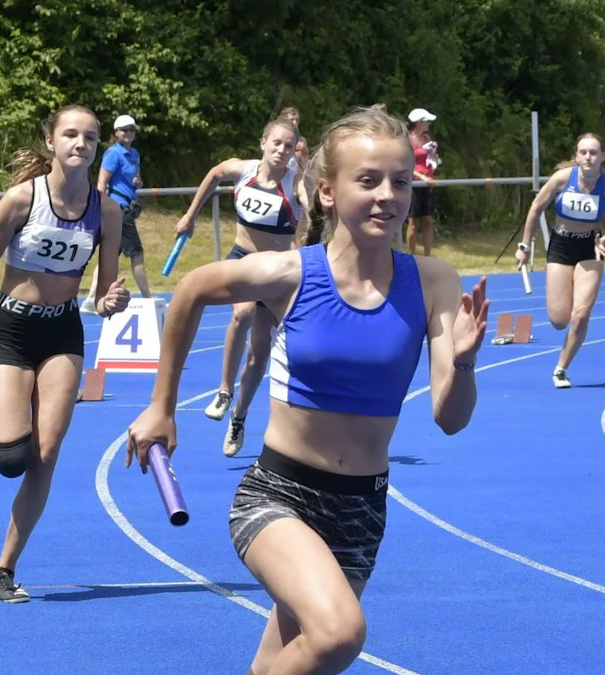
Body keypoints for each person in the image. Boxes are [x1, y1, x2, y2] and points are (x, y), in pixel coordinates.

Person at [126, 105, 488, 675]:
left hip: (362, 507)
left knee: (283, 661)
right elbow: (192, 289)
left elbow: (450, 418)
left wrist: (463, 364)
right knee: (339, 634)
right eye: (367, 181)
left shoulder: (434, 280)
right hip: (279, 497)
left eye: (400, 181)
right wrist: (160, 407)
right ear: (326, 192)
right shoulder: (292, 273)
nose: (387, 196)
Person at [0, 104, 131, 603]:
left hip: (63, 334)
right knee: (12, 458)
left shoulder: (107, 212)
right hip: (11, 329)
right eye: (71, 135)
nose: (81, 144)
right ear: (51, 141)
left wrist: (110, 301)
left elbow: (101, 294)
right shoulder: (19, 200)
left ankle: (5, 567)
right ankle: (15, 433)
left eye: (90, 138)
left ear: (98, 148)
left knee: (46, 454)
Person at [173, 117, 308, 457]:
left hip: (275, 272)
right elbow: (214, 174)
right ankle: (223, 390)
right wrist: (190, 215)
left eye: (288, 146)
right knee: (241, 313)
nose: (281, 150)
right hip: (242, 258)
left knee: (258, 352)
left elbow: (315, 205)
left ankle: (239, 416)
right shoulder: (242, 170)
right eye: (276, 143)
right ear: (263, 142)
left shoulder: (295, 184)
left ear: (294, 151)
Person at [515, 133, 605, 389]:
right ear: (576, 156)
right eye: (583, 152)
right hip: (562, 246)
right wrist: (525, 246)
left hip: (590, 248)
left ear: (603, 156)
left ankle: (561, 369)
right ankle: (568, 290)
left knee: (582, 314)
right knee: (559, 320)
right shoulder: (562, 179)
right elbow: (535, 208)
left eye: (594, 152)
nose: (588, 157)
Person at [81, 114, 150, 313]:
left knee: (109, 255)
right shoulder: (113, 154)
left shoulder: (134, 153)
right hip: (119, 209)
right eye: (124, 130)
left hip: (128, 206)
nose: (128, 133)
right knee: (137, 253)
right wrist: (99, 208)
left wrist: (138, 183)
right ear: (116, 133)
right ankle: (147, 297)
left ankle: (90, 298)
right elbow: (102, 182)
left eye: (131, 130)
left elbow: (133, 179)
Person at [405, 107, 441, 255]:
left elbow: (431, 160)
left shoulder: (428, 139)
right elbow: (405, 164)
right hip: (414, 184)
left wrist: (434, 158)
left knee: (428, 221)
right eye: (426, 121)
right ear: (418, 122)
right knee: (413, 223)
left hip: (428, 184)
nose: (428, 124)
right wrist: (422, 177)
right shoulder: (407, 140)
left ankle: (428, 257)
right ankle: (411, 257)